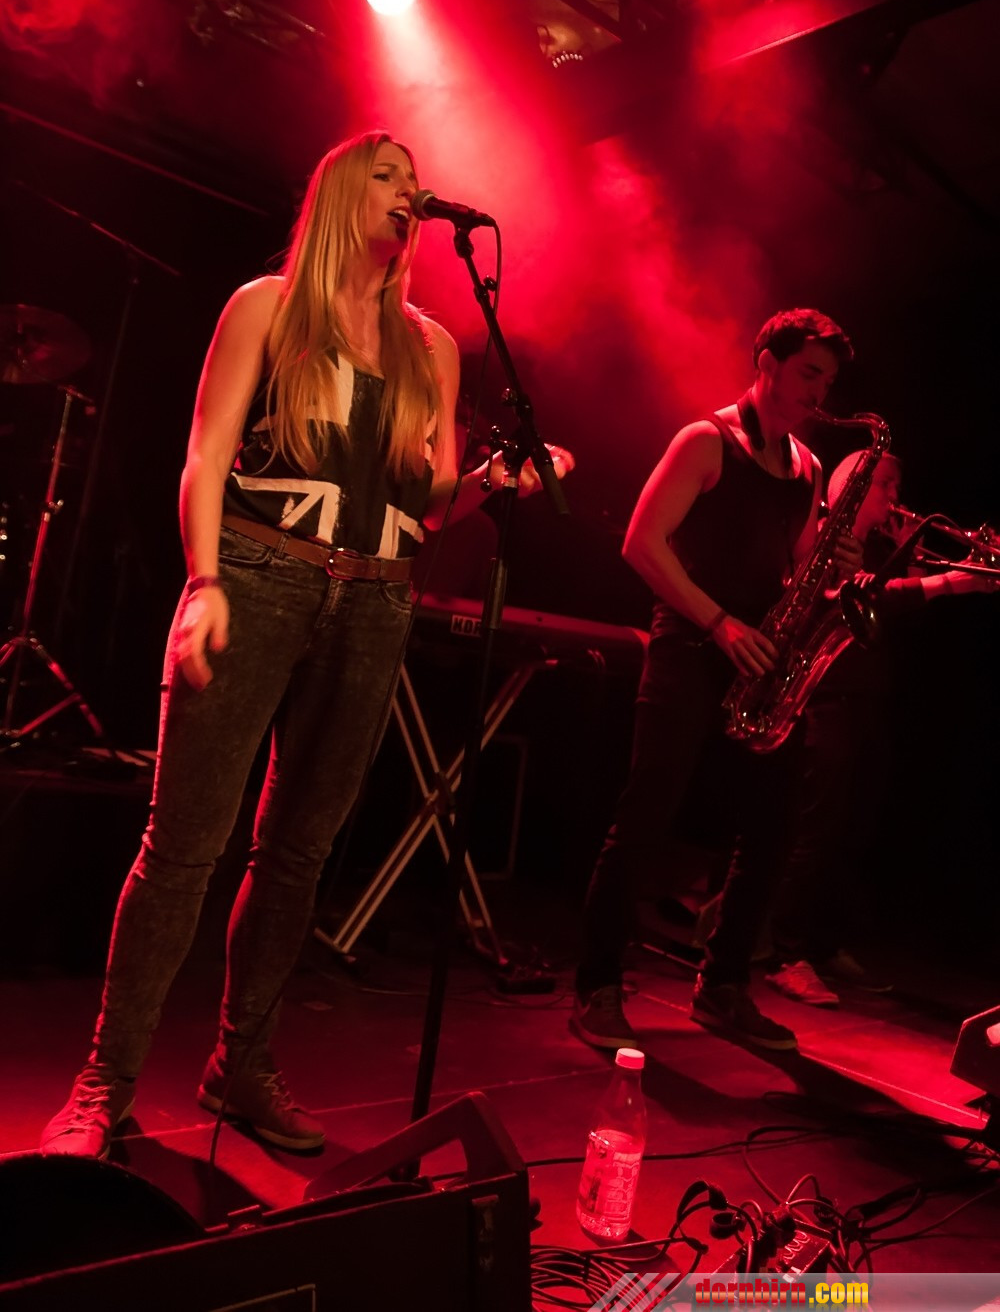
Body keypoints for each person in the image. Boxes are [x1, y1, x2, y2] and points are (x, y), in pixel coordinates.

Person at [41, 130, 572, 1160]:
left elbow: (427, 505)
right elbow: (205, 455)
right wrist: (203, 582)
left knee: (299, 854)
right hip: (257, 574)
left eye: (416, 181)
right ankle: (104, 1084)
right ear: (337, 194)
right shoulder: (266, 307)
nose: (410, 192)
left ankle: (241, 1067)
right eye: (387, 176)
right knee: (184, 847)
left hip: (374, 601)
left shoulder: (433, 347)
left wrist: (490, 483)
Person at [572, 308, 860, 1053]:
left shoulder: (809, 467)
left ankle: (723, 984)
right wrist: (719, 623)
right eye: (808, 374)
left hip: (760, 655)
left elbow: (797, 569)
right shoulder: (705, 441)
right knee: (647, 812)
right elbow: (642, 544)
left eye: (828, 381)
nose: (818, 393)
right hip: (691, 642)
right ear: (766, 362)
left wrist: (831, 564)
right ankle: (597, 985)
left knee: (773, 825)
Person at [764, 450, 999, 1006]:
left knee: (856, 824)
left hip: (869, 693)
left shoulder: (880, 545)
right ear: (851, 484)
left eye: (897, 484)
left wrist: (919, 558)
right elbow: (862, 597)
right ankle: (785, 953)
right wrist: (954, 583)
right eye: (885, 484)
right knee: (819, 827)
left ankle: (822, 944)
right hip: (826, 692)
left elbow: (900, 600)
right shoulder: (824, 538)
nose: (896, 496)